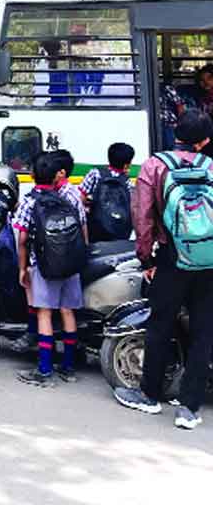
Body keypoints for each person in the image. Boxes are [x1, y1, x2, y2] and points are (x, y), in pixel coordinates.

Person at [114, 109, 213, 430]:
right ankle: (189, 408)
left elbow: (142, 219)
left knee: (160, 325)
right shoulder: (211, 167)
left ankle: (150, 395)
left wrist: (147, 260)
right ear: (205, 141)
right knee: (203, 331)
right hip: (209, 260)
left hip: (170, 258)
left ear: (175, 134)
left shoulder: (154, 166)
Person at [13, 152, 87, 387]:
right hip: (71, 265)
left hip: (44, 266)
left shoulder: (29, 201)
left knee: (44, 313)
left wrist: (22, 268)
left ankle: (44, 370)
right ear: (56, 175)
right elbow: (83, 231)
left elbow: (22, 239)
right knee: (68, 312)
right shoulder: (69, 197)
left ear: (33, 175)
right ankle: (68, 367)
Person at [79, 142, 135, 243]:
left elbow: (80, 198)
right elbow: (133, 207)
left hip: (96, 229)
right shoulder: (128, 182)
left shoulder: (95, 174)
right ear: (127, 165)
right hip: (119, 232)